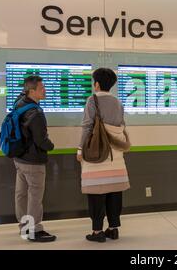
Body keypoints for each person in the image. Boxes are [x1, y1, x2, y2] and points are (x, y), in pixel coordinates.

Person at [77, 68, 131, 243]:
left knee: (96, 191)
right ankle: (113, 228)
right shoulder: (118, 102)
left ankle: (97, 231)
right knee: (114, 190)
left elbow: (87, 127)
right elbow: (121, 124)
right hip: (116, 153)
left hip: (97, 152)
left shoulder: (92, 100)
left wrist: (80, 149)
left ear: (97, 84)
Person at [14, 75, 56, 242]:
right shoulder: (36, 113)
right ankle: (34, 230)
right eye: (42, 88)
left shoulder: (19, 103)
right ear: (32, 91)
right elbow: (41, 141)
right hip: (33, 161)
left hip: (19, 158)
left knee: (21, 194)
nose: (44, 90)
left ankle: (24, 227)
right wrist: (51, 146)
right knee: (35, 196)